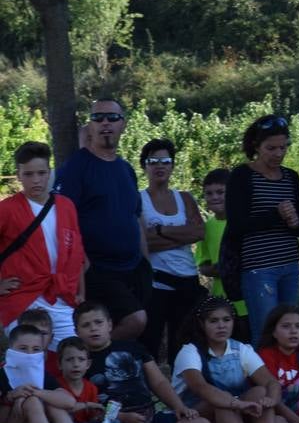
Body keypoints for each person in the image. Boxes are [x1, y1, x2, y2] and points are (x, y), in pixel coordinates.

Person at [74, 301, 213, 423]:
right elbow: (87, 406)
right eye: (86, 325)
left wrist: (178, 406)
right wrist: (122, 417)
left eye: (98, 323)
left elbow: (159, 382)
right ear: (77, 331)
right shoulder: (80, 362)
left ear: (109, 325)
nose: (93, 328)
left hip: (150, 419)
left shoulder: (133, 347)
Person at [54, 99, 152, 341]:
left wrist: (146, 263)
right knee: (135, 320)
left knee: (141, 335)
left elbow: (136, 217)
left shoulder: (126, 169)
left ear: (123, 124)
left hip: (133, 268)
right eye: (98, 118)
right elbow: (62, 218)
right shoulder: (77, 167)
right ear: (91, 126)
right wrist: (82, 262)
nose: (105, 123)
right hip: (97, 268)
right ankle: (84, 357)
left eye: (112, 118)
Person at [172, 297, 292, 423]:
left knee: (259, 392)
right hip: (194, 419)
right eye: (214, 321)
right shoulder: (190, 351)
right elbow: (200, 387)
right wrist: (237, 403)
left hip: (236, 414)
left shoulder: (241, 349)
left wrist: (271, 400)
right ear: (201, 324)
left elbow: (270, 381)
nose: (221, 326)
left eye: (226, 320)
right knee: (221, 401)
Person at [228, 116, 299, 344]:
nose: (278, 154)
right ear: (256, 146)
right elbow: (237, 224)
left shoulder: (291, 177)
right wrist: (276, 215)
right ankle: (264, 380)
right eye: (271, 148)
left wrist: (294, 222)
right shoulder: (242, 176)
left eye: (283, 147)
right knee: (265, 332)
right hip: (258, 267)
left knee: (291, 333)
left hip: (290, 265)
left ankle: (289, 378)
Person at [0, 142, 85, 347]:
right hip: (22, 298)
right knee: (28, 361)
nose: (36, 180)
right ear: (18, 175)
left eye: (41, 172)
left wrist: (81, 292)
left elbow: (77, 253)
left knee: (71, 357)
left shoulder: (66, 206)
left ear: (50, 172)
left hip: (61, 296)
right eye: (28, 174)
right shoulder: (6, 209)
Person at [1, 324, 95, 423]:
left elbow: (69, 402)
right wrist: (11, 398)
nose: (30, 354)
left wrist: (36, 392)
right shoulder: (2, 374)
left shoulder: (42, 374)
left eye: (35, 349)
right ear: (11, 349)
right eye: (23, 348)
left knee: (52, 403)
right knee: (32, 402)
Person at [139, 139, 206, 360]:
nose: (160, 166)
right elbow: (142, 242)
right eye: (153, 161)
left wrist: (159, 231)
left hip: (187, 278)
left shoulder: (185, 198)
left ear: (172, 165)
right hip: (156, 280)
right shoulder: (139, 200)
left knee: (185, 343)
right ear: (145, 166)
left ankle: (183, 391)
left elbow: (198, 232)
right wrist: (179, 234)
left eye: (165, 161)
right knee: (150, 340)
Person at [196, 168, 249, 342]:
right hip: (223, 304)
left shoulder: (244, 221)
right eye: (209, 193)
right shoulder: (206, 227)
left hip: (248, 300)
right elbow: (203, 266)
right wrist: (220, 269)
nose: (214, 197)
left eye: (220, 192)